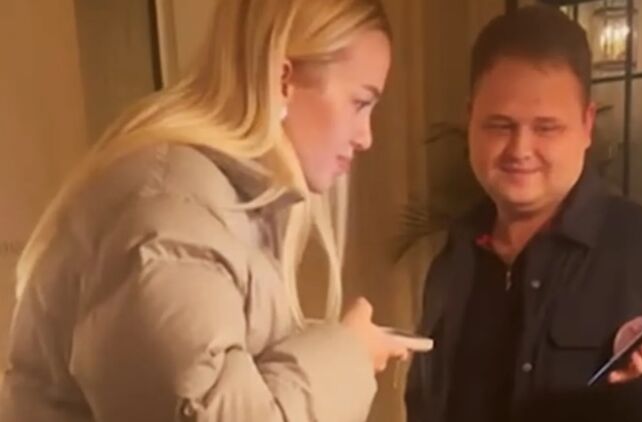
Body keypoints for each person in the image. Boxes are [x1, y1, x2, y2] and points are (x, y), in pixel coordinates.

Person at [0, 0, 407, 421]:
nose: (366, 137)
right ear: (283, 79)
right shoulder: (170, 216)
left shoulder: (215, 206)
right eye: (360, 103)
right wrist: (350, 354)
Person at [405, 5, 642, 422]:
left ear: (586, 124)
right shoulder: (455, 255)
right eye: (500, 125)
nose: (520, 149)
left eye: (546, 128)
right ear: (470, 118)